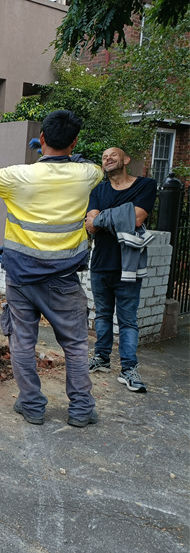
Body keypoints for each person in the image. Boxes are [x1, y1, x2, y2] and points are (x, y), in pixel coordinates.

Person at [0, 110, 103, 428]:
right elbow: (87, 166)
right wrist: (61, 155)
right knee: (76, 346)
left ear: (42, 138)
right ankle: (81, 409)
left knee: (22, 343)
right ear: (74, 141)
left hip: (22, 281)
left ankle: (32, 405)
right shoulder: (87, 175)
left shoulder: (18, 176)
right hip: (63, 281)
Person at [85, 147, 157, 393]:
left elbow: (136, 218)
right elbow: (90, 225)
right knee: (103, 316)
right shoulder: (98, 190)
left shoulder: (145, 185)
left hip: (129, 266)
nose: (108, 158)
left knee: (127, 321)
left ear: (126, 160)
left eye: (113, 155)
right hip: (100, 264)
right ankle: (102, 358)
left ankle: (128, 369)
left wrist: (102, 219)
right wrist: (120, 215)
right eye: (104, 156)